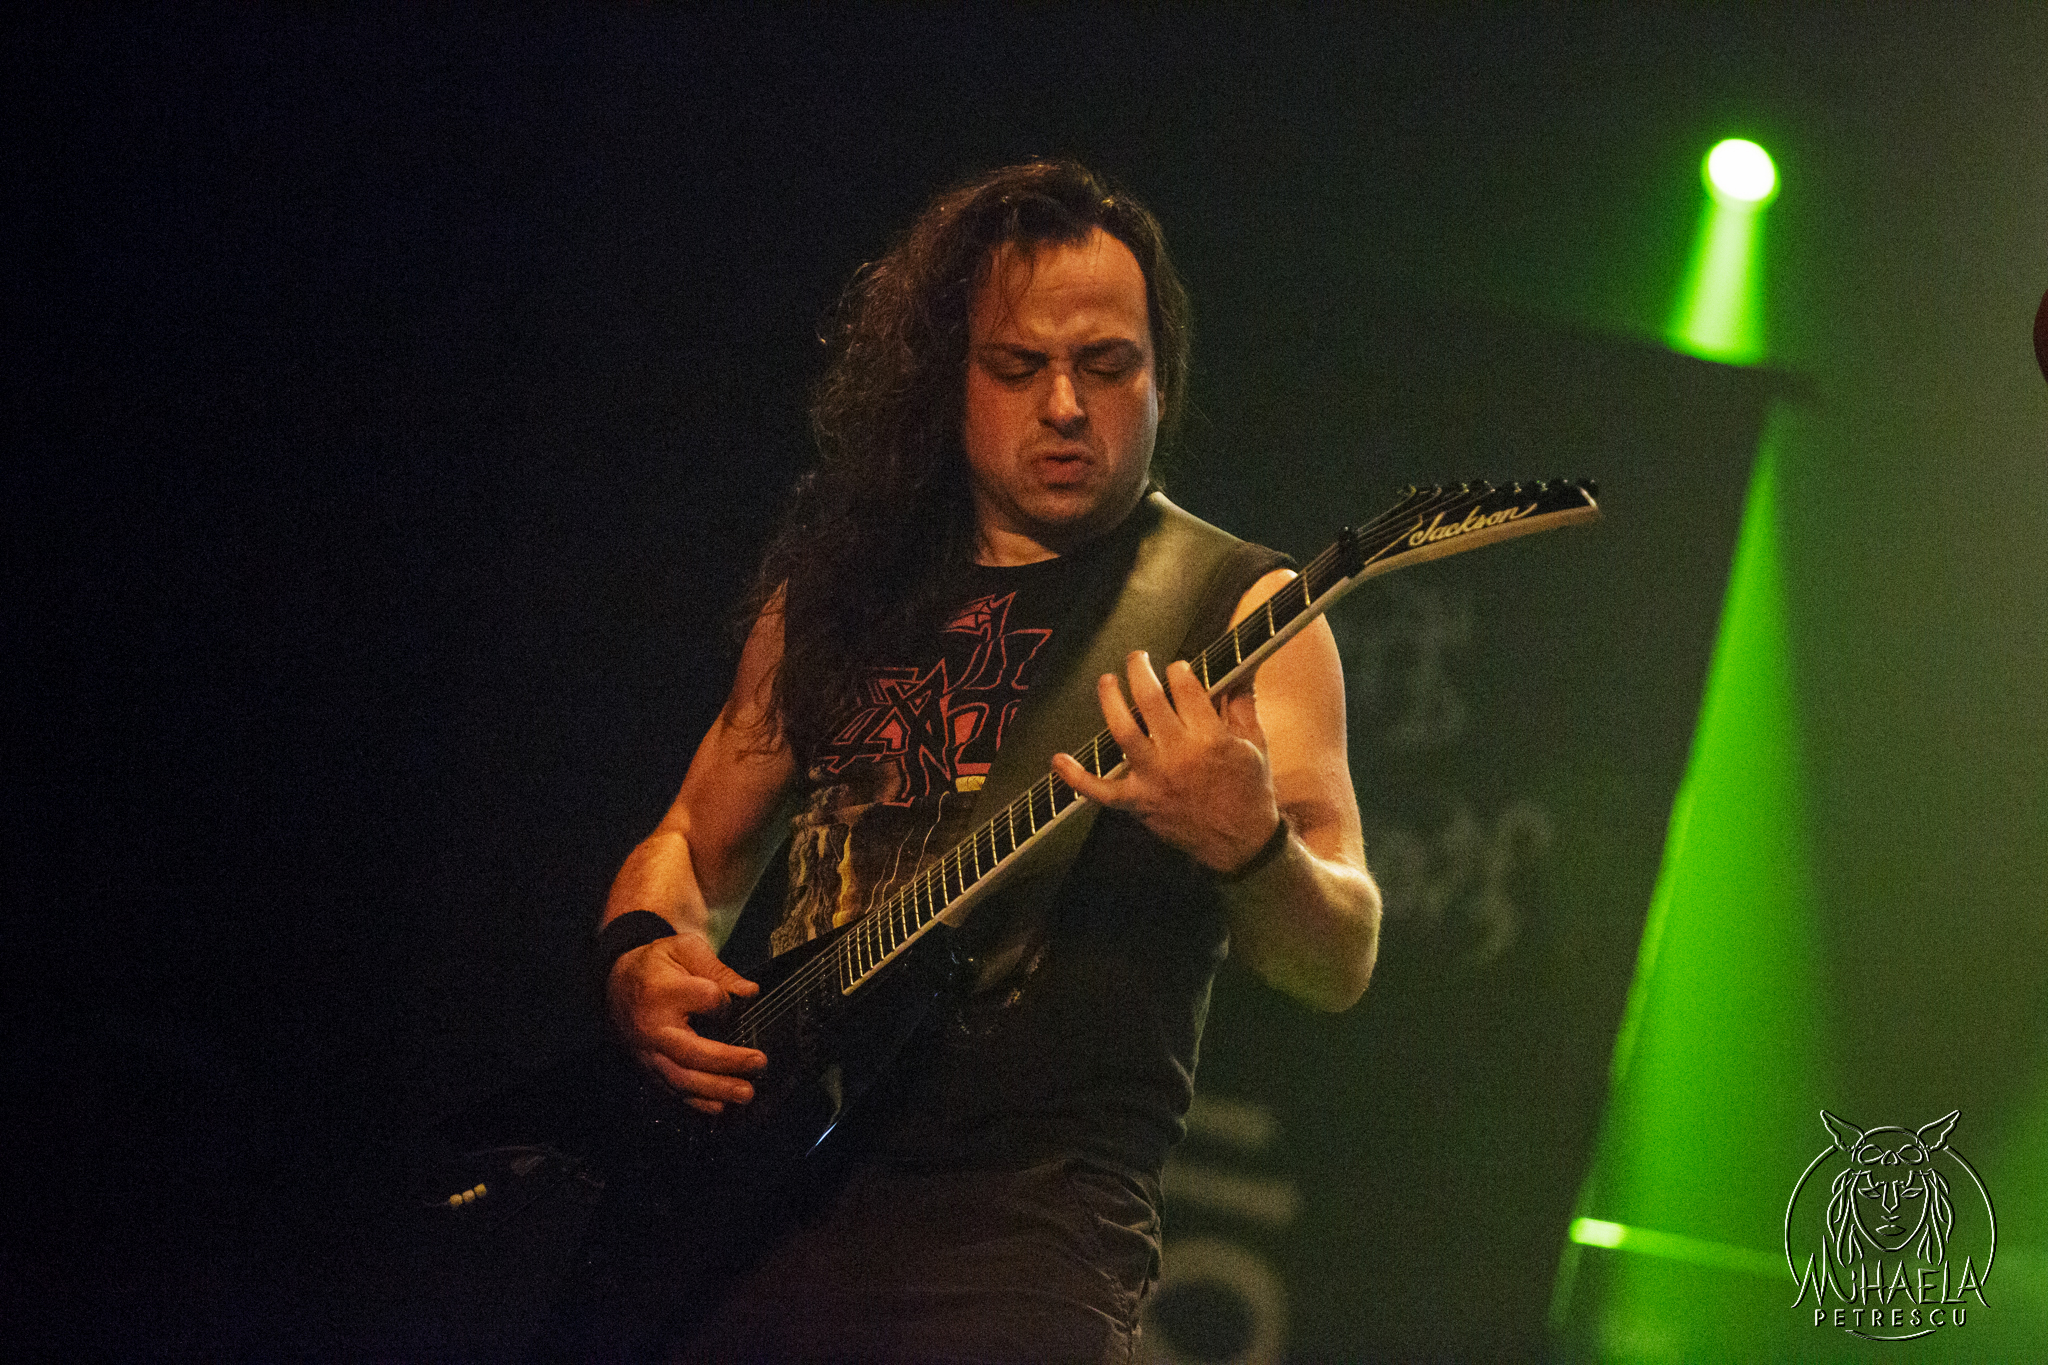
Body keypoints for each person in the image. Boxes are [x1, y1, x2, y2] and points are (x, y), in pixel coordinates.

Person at [586, 159, 1380, 1362]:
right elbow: (691, 844)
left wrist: (1253, 845)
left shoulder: (1241, 612)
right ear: (945, 380)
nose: (1064, 404)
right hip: (756, 1199)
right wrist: (641, 957)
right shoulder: (838, 598)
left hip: (1026, 1228)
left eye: (1106, 365)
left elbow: (1338, 957)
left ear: (1159, 377)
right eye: (1016, 367)